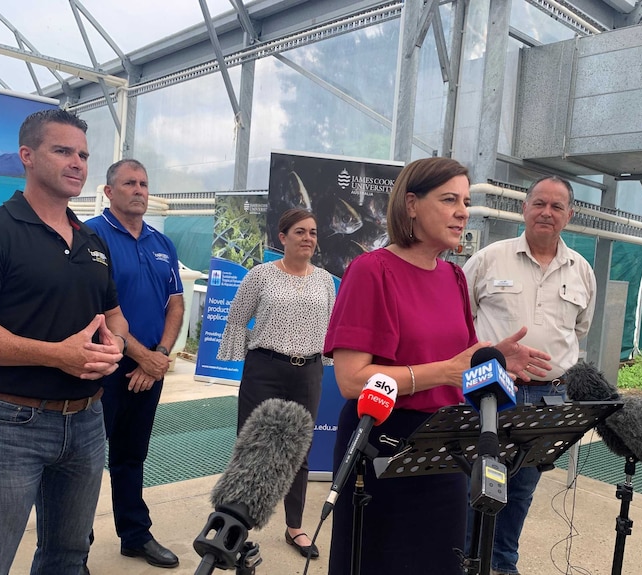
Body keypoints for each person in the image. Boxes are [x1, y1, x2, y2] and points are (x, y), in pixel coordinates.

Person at [324, 157, 551, 575]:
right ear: (411, 204)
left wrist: (493, 356)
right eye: (449, 199)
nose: (463, 211)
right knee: (378, 561)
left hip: (448, 444)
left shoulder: (453, 277)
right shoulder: (371, 271)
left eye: (465, 200)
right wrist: (444, 371)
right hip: (384, 446)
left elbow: (458, 363)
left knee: (441, 560)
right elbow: (351, 380)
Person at [0, 109, 127, 575]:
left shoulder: (92, 241)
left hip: (87, 422)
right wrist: (56, 356)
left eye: (82, 154)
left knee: (67, 558)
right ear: (27, 156)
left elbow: (114, 317)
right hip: (7, 425)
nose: (77, 162)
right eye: (62, 151)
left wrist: (114, 347)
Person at [462, 175, 596, 575]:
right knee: (477, 482)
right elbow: (461, 319)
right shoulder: (489, 258)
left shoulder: (581, 270)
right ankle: (469, 562)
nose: (547, 213)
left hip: (548, 399)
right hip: (491, 392)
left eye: (557, 206)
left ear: (569, 215)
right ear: (524, 208)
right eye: (539, 203)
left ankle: (503, 563)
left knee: (521, 488)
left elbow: (579, 329)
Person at [217, 208, 335, 558]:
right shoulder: (260, 275)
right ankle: (235, 528)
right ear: (282, 237)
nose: (308, 238)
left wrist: (327, 362)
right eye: (300, 232)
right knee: (252, 448)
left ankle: (295, 527)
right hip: (265, 369)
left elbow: (330, 328)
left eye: (313, 232)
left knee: (298, 451)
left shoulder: (325, 280)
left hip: (308, 373)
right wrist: (238, 359)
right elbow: (238, 319)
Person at [83, 159, 184, 568]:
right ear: (109, 191)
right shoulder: (91, 236)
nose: (139, 190)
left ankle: (134, 534)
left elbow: (175, 303)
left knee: (131, 456)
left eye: (143, 183)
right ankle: (75, 545)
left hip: (151, 368)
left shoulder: (162, 243)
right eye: (129, 183)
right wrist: (140, 355)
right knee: (86, 462)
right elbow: (98, 306)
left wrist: (157, 357)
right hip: (103, 367)